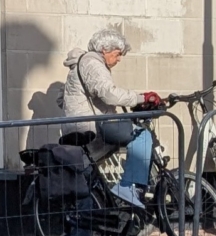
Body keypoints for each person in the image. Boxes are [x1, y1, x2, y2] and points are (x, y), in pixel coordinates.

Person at [61, 29, 160, 209]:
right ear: (105, 49)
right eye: (117, 54)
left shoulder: (80, 65)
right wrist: (141, 98)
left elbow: (62, 98)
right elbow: (109, 93)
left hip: (79, 128)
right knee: (141, 135)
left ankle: (85, 231)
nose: (119, 59)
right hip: (91, 128)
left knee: (87, 181)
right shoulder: (92, 63)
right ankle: (127, 186)